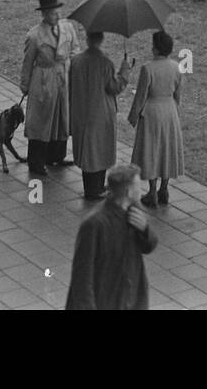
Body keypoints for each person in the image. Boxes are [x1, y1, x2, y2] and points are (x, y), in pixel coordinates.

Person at [65, 163, 157, 310]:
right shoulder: (94, 224)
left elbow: (149, 246)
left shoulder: (133, 212)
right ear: (128, 192)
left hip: (129, 299)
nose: (141, 190)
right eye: (138, 186)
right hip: (105, 299)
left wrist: (145, 229)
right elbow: (82, 275)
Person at [21, 0, 81, 175]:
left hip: (63, 78)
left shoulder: (68, 27)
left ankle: (56, 156)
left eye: (58, 12)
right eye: (54, 13)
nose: (58, 16)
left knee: (62, 118)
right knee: (41, 121)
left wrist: (72, 63)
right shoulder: (34, 36)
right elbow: (27, 62)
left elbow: (75, 48)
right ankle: (36, 162)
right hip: (44, 79)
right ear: (44, 14)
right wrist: (25, 85)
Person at [70, 29, 134, 200]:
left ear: (87, 39)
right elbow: (114, 87)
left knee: (87, 150)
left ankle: (92, 186)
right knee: (99, 150)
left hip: (80, 111)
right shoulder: (105, 63)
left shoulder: (76, 60)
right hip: (100, 114)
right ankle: (95, 189)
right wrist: (125, 71)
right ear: (101, 39)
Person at [128, 30, 184, 207]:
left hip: (151, 112)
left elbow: (141, 95)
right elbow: (178, 95)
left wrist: (133, 116)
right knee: (167, 149)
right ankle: (164, 189)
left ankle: (152, 191)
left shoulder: (148, 68)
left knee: (151, 150)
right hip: (169, 111)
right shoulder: (176, 67)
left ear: (156, 48)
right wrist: (173, 110)